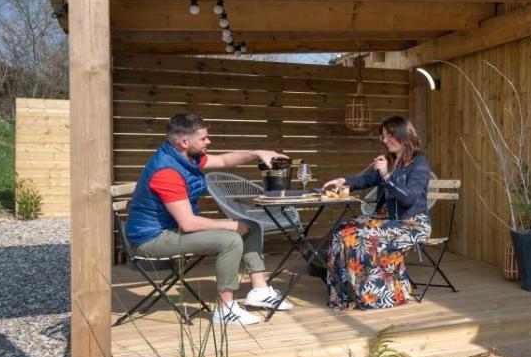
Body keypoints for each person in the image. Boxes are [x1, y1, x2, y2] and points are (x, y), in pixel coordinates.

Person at [125, 112, 291, 327]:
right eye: (203, 138)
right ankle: (225, 310)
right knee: (230, 240)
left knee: (251, 226)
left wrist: (257, 153)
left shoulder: (186, 158)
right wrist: (232, 225)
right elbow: (188, 223)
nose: (208, 141)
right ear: (185, 142)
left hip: (172, 230)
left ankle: (259, 291)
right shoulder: (167, 171)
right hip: (150, 239)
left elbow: (223, 160)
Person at [320, 116, 431, 310]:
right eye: (383, 137)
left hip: (412, 223)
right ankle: (346, 294)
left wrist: (387, 175)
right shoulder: (390, 160)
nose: (385, 140)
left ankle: (375, 296)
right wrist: (343, 181)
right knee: (341, 231)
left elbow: (408, 198)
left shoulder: (419, 163)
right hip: (387, 220)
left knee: (363, 237)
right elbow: (365, 180)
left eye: (389, 136)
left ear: (404, 135)